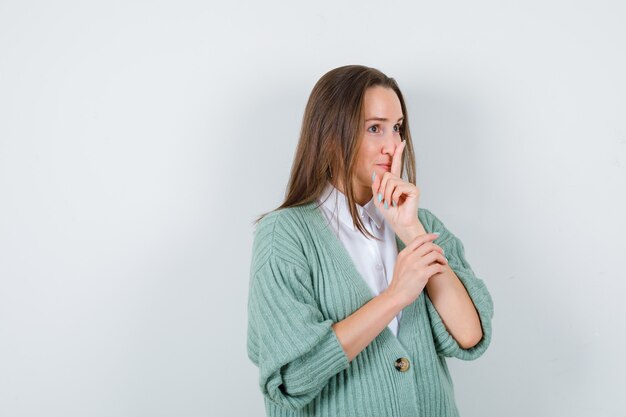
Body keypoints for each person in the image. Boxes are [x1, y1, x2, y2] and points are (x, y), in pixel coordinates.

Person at [247, 65, 494, 417]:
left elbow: (469, 334)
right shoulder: (284, 236)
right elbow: (292, 378)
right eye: (375, 128)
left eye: (397, 128)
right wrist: (396, 297)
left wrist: (410, 231)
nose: (393, 146)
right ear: (331, 136)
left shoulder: (421, 225)